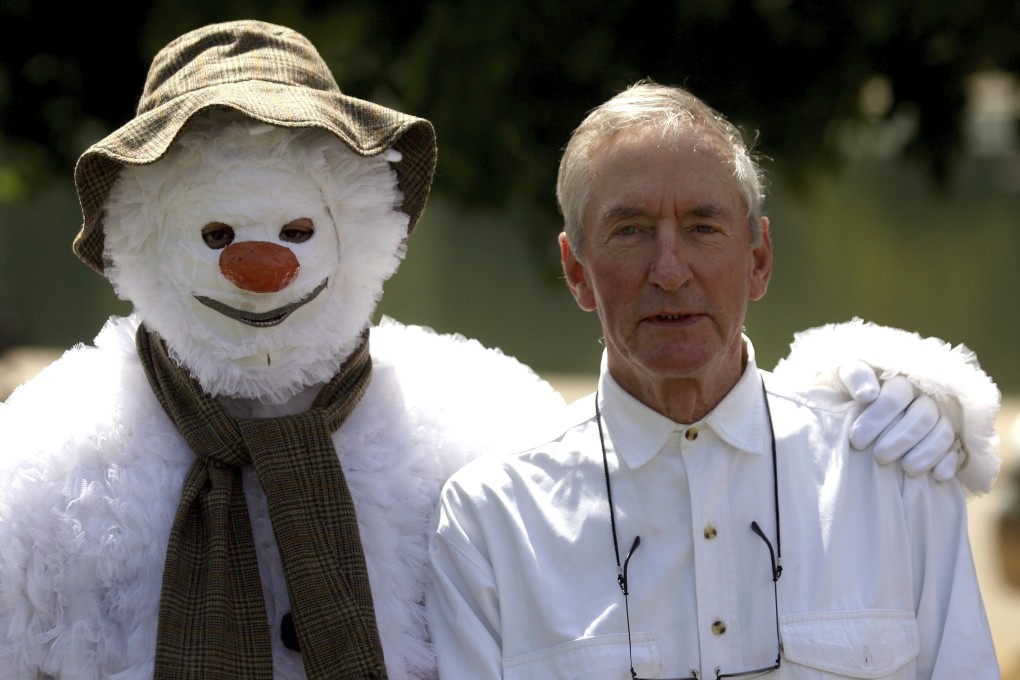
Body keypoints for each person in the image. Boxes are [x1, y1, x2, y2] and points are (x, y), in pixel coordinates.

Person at [426, 81, 1001, 679]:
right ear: (577, 271)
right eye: (630, 230)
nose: (670, 272)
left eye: (702, 227)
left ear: (759, 260)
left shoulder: (893, 475)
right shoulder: (493, 521)